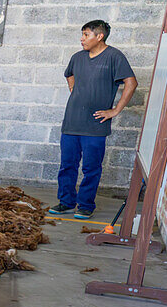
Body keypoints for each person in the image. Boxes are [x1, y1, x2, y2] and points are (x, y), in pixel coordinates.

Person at [49, 20, 137, 219]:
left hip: (96, 125)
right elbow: (69, 75)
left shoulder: (114, 56)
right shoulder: (77, 57)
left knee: (91, 168)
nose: (82, 39)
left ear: (99, 36)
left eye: (86, 34)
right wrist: (74, 89)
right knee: (67, 165)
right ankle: (66, 202)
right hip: (72, 121)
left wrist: (115, 110)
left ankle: (86, 204)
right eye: (82, 34)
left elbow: (131, 83)